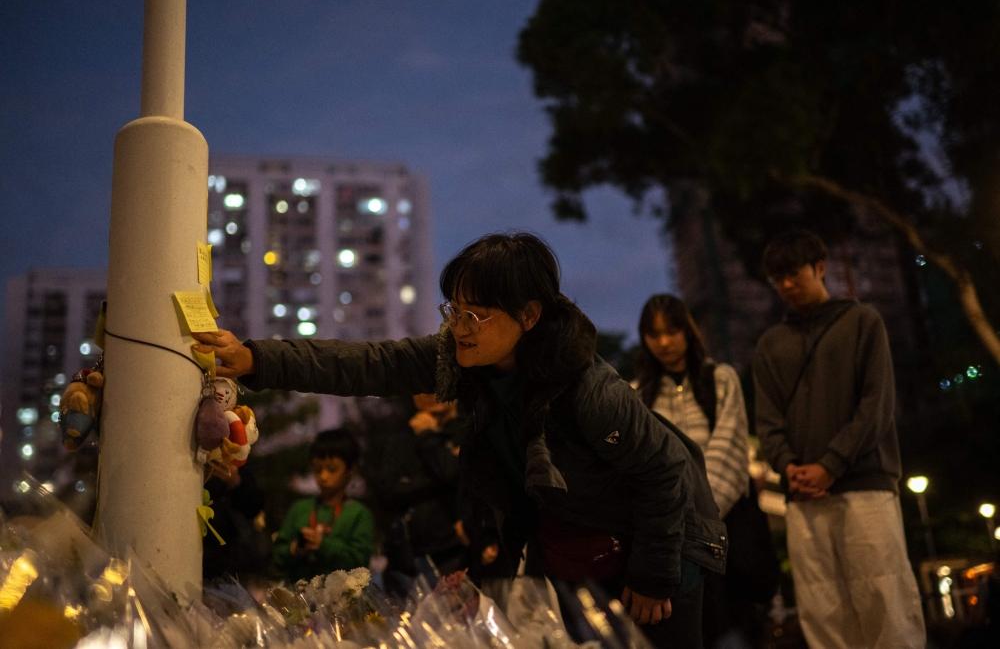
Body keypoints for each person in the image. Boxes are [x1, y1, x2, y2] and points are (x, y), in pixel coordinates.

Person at [194, 232, 727, 649]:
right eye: (453, 309)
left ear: (529, 315)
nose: (460, 326)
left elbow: (665, 473)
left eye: (476, 314)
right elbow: (368, 363)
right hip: (573, 556)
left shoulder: (587, 387)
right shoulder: (462, 358)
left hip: (665, 542)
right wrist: (257, 358)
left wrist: (656, 577)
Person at [752, 230, 925, 648]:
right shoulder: (770, 344)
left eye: (794, 274)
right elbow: (767, 422)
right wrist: (789, 467)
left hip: (865, 486)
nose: (787, 286)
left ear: (821, 268)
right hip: (803, 497)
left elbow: (877, 405)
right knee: (821, 608)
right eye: (778, 279)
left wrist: (830, 464)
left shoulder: (863, 321)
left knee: (884, 597)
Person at [634, 294, 775, 648]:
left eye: (672, 331)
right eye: (654, 334)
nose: (664, 342)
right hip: (675, 544)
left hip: (724, 534)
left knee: (734, 630)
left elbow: (730, 451)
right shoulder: (638, 396)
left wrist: (691, 521)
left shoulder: (719, 379)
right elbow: (641, 469)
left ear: (688, 331)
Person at [368, 394, 467, 597]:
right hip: (405, 558)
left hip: (454, 554)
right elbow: (385, 493)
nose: (430, 393)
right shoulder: (400, 439)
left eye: (436, 385)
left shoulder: (468, 431)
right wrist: (440, 477)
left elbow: (450, 473)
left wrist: (427, 436)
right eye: (422, 386)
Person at [272, 429, 375, 583]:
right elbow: (277, 557)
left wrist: (323, 545)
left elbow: (360, 564)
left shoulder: (359, 514)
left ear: (352, 469)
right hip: (298, 597)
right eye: (317, 469)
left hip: (341, 601)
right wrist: (294, 549)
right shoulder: (300, 508)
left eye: (332, 469)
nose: (323, 476)